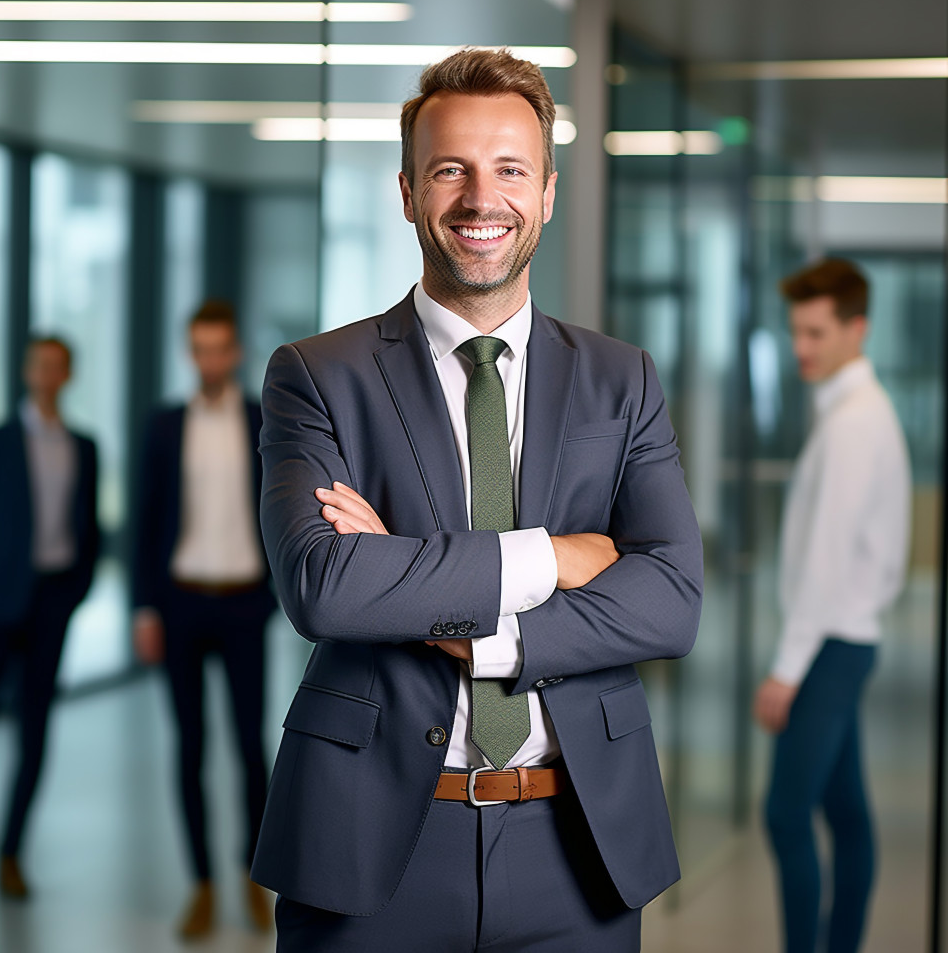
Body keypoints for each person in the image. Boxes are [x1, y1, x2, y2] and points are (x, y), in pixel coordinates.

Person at [251, 48, 703, 952]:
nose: (478, 197)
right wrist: (559, 556)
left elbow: (671, 601)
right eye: (450, 169)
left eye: (509, 170)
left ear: (545, 192)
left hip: (579, 847)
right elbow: (325, 586)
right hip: (372, 843)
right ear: (410, 191)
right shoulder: (317, 375)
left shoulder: (621, 379)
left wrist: (461, 620)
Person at [753, 257, 911, 953]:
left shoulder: (853, 423)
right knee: (845, 810)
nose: (802, 349)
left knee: (786, 814)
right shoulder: (856, 412)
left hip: (830, 647)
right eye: (796, 332)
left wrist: (787, 671)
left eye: (817, 332)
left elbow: (827, 561)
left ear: (859, 329)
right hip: (845, 640)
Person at [132, 300, 276, 938]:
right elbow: (145, 521)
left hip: (245, 602)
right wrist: (144, 607)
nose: (209, 360)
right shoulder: (165, 425)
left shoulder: (261, 421)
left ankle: (252, 877)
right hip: (182, 602)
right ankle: (201, 886)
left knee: (250, 749)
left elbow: (283, 512)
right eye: (199, 349)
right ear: (190, 353)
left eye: (219, 348)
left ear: (236, 352)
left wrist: (277, 594)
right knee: (189, 749)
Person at [0, 336, 99, 899]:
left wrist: (76, 590)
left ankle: (11, 852)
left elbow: (88, 528)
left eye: (58, 364)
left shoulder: (84, 446)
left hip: (52, 603)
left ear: (68, 373)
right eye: (39, 364)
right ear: (28, 371)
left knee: (34, 732)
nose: (47, 373)